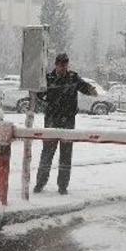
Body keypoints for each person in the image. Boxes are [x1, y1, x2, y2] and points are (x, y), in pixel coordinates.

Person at [34, 53, 97, 194]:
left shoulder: (73, 78)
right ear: (56, 65)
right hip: (51, 121)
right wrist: (45, 103)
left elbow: (85, 88)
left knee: (66, 155)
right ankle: (40, 183)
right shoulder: (48, 79)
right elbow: (38, 96)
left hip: (68, 122)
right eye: (60, 64)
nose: (63, 67)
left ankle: (62, 186)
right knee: (47, 153)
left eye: (65, 65)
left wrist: (91, 90)